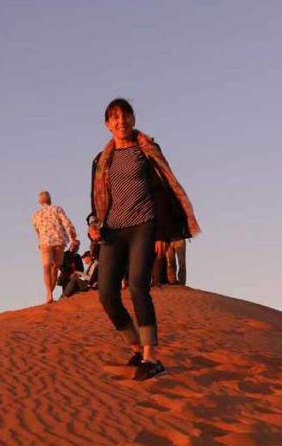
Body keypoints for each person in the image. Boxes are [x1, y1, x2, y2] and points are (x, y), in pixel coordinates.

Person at [87, 98, 202, 380]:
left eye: (125, 116)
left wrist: (163, 233)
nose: (121, 121)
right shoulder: (100, 160)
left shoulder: (147, 150)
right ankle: (136, 346)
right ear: (107, 125)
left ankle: (151, 356)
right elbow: (96, 198)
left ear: (133, 120)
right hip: (112, 230)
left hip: (144, 224)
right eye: (114, 117)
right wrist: (93, 223)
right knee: (106, 294)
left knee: (139, 287)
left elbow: (162, 191)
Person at [32, 190, 79, 304]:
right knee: (55, 267)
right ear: (50, 199)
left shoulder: (36, 214)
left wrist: (40, 240)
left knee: (46, 266)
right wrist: (73, 237)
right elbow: (67, 223)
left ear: (39, 201)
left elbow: (36, 230)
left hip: (45, 242)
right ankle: (50, 294)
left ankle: (49, 293)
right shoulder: (57, 209)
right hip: (59, 240)